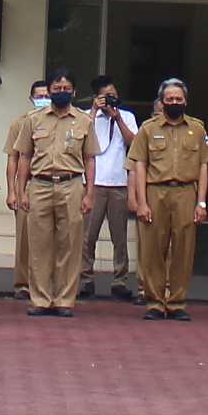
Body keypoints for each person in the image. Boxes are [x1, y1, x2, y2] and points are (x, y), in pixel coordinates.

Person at [126, 76, 208, 321]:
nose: (174, 102)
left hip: (186, 192)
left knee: (183, 250)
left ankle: (176, 302)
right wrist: (141, 202)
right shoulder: (148, 129)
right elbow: (139, 165)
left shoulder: (197, 128)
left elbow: (204, 165)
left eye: (179, 98)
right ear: (161, 102)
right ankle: (154, 302)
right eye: (169, 99)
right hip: (156, 191)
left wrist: (201, 202)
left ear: (186, 100)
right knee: (153, 249)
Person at [13, 73, 89, 315]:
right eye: (57, 88)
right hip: (40, 185)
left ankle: (65, 300)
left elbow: (90, 159)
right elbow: (24, 156)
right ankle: (41, 299)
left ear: (74, 92)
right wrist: (21, 191)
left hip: (72, 184)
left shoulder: (84, 120)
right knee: (39, 245)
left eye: (66, 87)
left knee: (70, 244)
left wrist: (91, 194)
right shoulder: (33, 120)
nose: (61, 91)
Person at [78, 74, 140, 302]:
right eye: (106, 97)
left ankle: (120, 281)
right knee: (88, 236)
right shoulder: (85, 117)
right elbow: (82, 139)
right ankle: (85, 279)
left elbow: (133, 143)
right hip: (93, 184)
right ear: (96, 98)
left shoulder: (127, 116)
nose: (111, 100)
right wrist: (94, 112)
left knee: (119, 236)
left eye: (114, 95)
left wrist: (117, 119)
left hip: (118, 184)